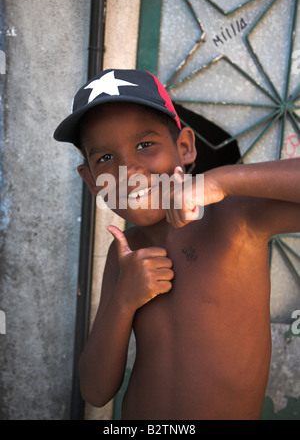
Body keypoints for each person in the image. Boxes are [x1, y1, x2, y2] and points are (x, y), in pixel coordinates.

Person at [54, 69, 300, 420]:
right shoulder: (125, 253)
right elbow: (95, 390)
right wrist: (125, 299)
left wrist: (220, 181)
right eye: (105, 158)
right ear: (92, 180)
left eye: (144, 145)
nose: (128, 169)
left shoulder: (234, 218)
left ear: (184, 147)